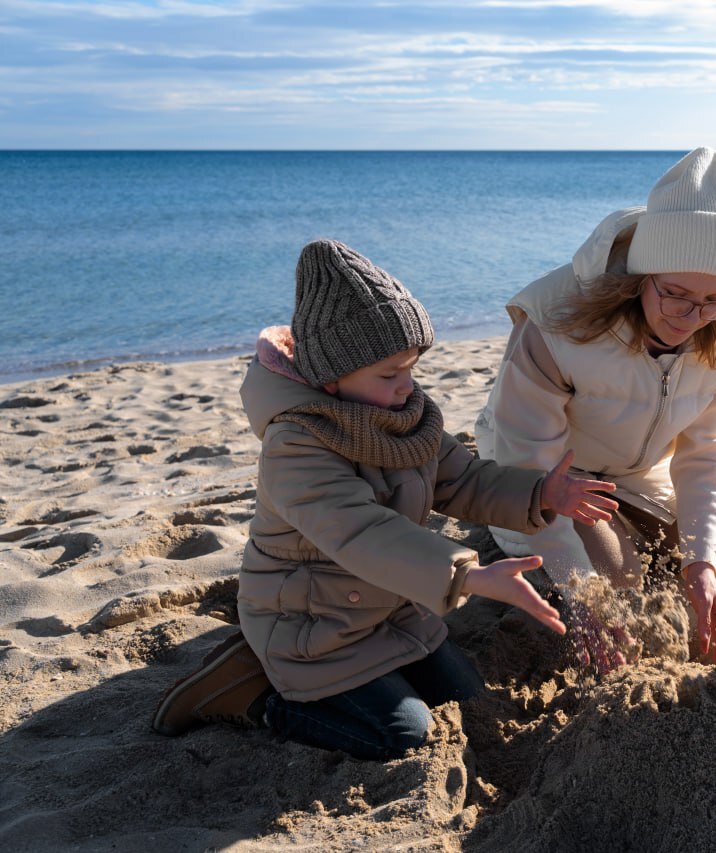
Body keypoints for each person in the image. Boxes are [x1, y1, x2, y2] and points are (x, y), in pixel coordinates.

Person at [152, 238, 618, 761]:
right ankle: (253, 694)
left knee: (467, 699)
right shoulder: (296, 444)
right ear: (330, 379)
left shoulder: (405, 416)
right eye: (389, 374)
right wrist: (464, 574)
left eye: (412, 366)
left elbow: (461, 480)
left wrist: (538, 492)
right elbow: (361, 532)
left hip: (394, 610)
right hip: (313, 627)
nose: (407, 385)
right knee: (405, 736)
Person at [474, 147, 716, 674]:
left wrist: (701, 564)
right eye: (674, 293)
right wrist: (583, 600)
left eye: (713, 299)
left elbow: (703, 457)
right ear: (640, 278)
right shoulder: (557, 325)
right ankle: (613, 535)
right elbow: (528, 464)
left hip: (641, 469)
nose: (690, 316)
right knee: (616, 583)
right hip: (550, 473)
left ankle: (662, 523)